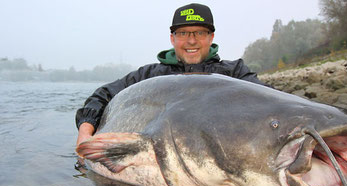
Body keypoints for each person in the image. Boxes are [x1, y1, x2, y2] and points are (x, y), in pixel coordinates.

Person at [75, 3, 265, 146]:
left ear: (211, 37)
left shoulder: (235, 73)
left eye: (199, 32)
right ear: (172, 38)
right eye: (183, 33)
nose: (192, 41)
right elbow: (102, 95)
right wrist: (85, 132)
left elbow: (271, 102)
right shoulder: (149, 75)